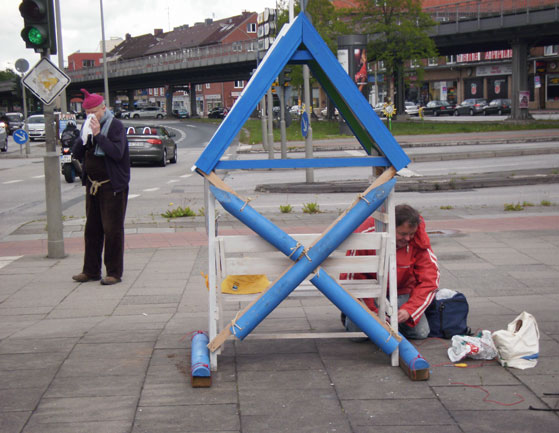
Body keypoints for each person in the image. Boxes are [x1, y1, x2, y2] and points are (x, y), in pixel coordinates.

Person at [342, 204, 439, 340]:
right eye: (403, 234)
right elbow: (353, 279)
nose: (408, 239)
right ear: (390, 227)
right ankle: (350, 315)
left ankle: (390, 323)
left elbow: (430, 280)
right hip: (369, 293)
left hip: (402, 293)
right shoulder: (366, 235)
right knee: (358, 336)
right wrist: (373, 312)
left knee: (420, 333)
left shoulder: (418, 240)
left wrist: (409, 310)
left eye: (411, 234)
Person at [71, 89, 130, 285]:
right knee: (92, 229)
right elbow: (77, 153)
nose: (91, 117)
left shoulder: (115, 126)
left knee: (112, 230)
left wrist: (98, 135)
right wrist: (84, 136)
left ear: (103, 109)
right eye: (87, 113)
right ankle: (90, 270)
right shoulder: (87, 127)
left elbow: (117, 152)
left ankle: (114, 272)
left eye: (94, 112)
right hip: (93, 185)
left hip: (112, 185)